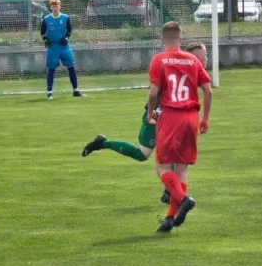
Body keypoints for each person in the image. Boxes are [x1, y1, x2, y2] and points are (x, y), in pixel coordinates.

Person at [81, 42, 209, 205]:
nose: (206, 59)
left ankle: (170, 191)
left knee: (177, 153)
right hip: (158, 117)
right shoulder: (174, 68)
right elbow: (156, 91)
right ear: (194, 57)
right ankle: (102, 143)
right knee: (143, 154)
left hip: (172, 120)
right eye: (203, 56)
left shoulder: (190, 69)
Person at [147, 22, 212, 233]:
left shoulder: (159, 59)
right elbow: (208, 91)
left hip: (171, 116)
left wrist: (150, 115)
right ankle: (169, 218)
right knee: (182, 168)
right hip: (191, 117)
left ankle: (184, 199)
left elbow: (153, 93)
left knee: (162, 167)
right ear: (181, 39)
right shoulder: (193, 59)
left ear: (162, 39)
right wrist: (205, 119)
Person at [41, 0, 84, 100]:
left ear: (60, 6)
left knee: (71, 67)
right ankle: (49, 93)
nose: (55, 7)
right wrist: (45, 39)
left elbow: (69, 30)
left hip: (65, 47)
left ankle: (76, 91)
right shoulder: (46, 19)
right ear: (50, 7)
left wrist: (66, 38)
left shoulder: (65, 17)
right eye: (53, 5)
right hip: (53, 48)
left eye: (57, 5)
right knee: (51, 70)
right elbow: (42, 33)